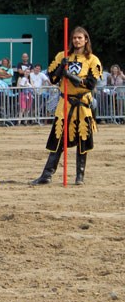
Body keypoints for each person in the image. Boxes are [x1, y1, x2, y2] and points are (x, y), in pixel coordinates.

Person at [30, 26, 102, 186]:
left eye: (80, 38)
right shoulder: (62, 56)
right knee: (57, 139)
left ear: (86, 40)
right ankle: (47, 175)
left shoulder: (92, 60)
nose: (77, 40)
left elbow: (91, 84)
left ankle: (79, 176)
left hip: (82, 105)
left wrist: (71, 76)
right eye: (74, 38)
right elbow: (52, 79)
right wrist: (60, 69)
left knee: (83, 139)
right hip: (65, 105)